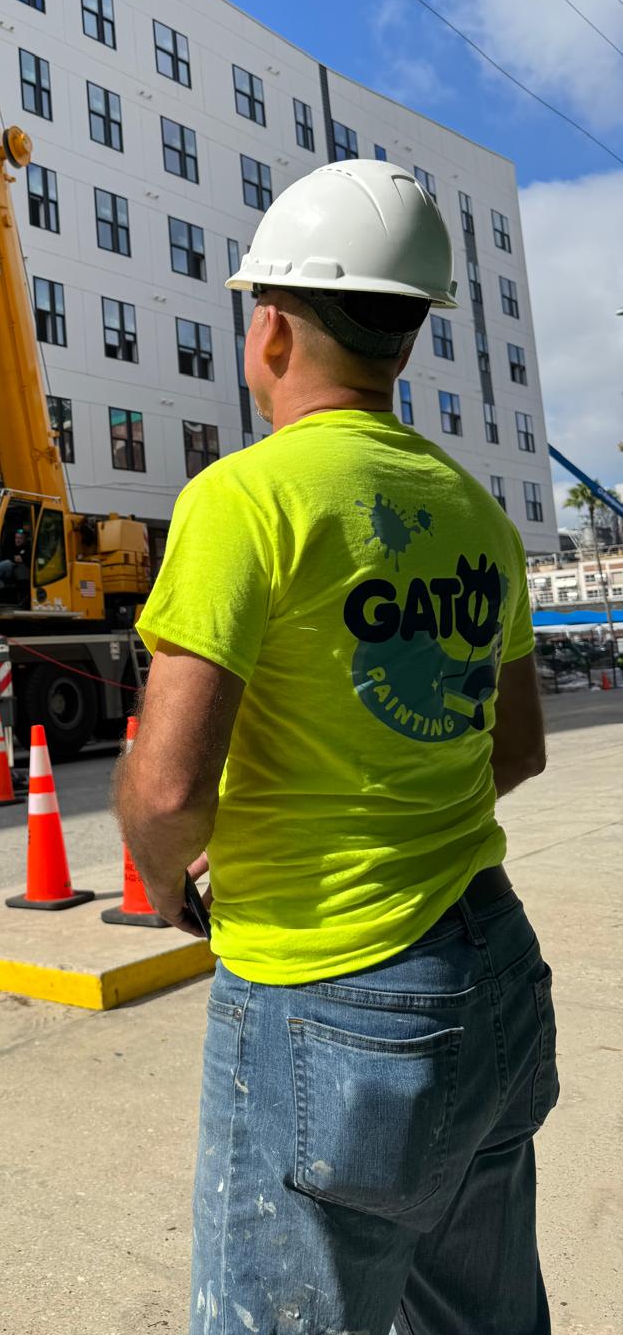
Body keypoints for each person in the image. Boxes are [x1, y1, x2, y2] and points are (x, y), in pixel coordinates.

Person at [113, 160, 556, 1335]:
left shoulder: (244, 500)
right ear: (407, 337)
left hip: (328, 993)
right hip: (493, 967)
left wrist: (168, 888)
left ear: (269, 329)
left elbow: (165, 789)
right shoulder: (478, 515)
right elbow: (515, 750)